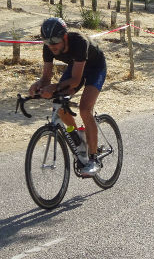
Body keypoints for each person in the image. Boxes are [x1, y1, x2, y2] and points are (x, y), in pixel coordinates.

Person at [29, 17, 107, 176]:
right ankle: (77, 137)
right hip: (77, 66)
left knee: (85, 110)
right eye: (48, 42)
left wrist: (54, 87)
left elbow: (76, 80)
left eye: (56, 41)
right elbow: (46, 77)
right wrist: (38, 85)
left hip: (95, 67)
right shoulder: (48, 47)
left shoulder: (78, 41)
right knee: (60, 107)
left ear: (65, 36)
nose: (52, 46)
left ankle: (93, 160)